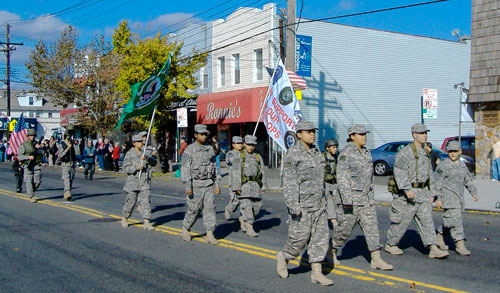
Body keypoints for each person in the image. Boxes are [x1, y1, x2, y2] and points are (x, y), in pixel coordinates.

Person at [276, 121, 333, 286]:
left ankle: (317, 273)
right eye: (308, 132)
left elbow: (323, 179)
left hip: (319, 205)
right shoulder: (292, 154)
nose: (312, 134)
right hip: (302, 206)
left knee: (320, 240)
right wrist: (294, 207)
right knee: (298, 241)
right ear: (299, 134)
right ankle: (284, 256)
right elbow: (290, 183)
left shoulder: (317, 152)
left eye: (313, 131)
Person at [331, 125, 393, 270]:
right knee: (343, 231)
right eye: (360, 134)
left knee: (372, 229)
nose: (364, 136)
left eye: (365, 134)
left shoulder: (366, 153)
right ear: (352, 136)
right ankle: (331, 251)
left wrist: (372, 196)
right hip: (351, 202)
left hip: (366, 201)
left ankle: (376, 259)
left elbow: (369, 177)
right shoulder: (346, 154)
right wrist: (347, 201)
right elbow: (342, 178)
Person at [385, 123, 449, 259]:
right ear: (414, 135)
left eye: (426, 133)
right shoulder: (405, 152)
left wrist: (433, 193)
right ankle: (391, 244)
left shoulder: (426, 153)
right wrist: (407, 189)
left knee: (427, 221)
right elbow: (399, 171)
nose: (425, 135)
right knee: (401, 222)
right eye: (422, 133)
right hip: (409, 195)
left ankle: (433, 247)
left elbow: (430, 174)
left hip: (423, 193)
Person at [433, 141, 479, 256]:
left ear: (460, 152)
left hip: (458, 198)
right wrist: (437, 198)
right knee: (456, 221)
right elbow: (437, 183)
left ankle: (439, 235)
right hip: (447, 198)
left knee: (450, 221)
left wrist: (473, 193)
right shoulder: (443, 165)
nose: (452, 154)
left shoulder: (462, 165)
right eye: (450, 151)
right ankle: (460, 244)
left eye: (455, 151)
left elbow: (468, 180)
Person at [181, 124, 221, 245]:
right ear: (195, 135)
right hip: (195, 184)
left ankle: (210, 233)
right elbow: (185, 168)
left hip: (208, 184)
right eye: (202, 134)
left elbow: (214, 167)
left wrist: (217, 184)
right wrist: (188, 186)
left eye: (205, 134)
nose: (204, 136)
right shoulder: (189, 150)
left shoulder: (209, 149)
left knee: (210, 209)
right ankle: (186, 228)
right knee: (194, 209)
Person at [230, 135, 267, 237]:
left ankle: (244, 219)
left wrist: (263, 186)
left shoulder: (257, 157)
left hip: (255, 187)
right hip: (244, 187)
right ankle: (250, 228)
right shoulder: (239, 156)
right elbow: (236, 172)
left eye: (253, 145)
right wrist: (236, 187)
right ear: (244, 144)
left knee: (257, 207)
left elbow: (262, 171)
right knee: (247, 207)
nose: (251, 147)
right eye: (249, 145)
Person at [121, 132, 157, 230]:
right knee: (130, 202)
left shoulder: (145, 152)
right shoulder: (129, 154)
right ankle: (125, 217)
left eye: (142, 141)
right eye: (139, 141)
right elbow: (125, 168)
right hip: (133, 182)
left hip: (144, 181)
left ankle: (146, 222)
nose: (141, 143)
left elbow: (154, 163)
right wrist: (136, 167)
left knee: (146, 202)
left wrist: (148, 158)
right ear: (134, 143)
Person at [18, 129, 43, 203]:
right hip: (28, 164)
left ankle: (31, 190)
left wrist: (40, 148)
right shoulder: (24, 145)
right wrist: (28, 157)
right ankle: (31, 196)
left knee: (37, 181)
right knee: (28, 181)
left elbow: (42, 153)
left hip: (36, 164)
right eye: (31, 135)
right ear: (28, 136)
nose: (32, 137)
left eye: (33, 135)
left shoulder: (36, 144)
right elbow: (19, 156)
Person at [224, 136, 244, 220]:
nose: (240, 145)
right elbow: (234, 162)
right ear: (233, 145)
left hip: (244, 181)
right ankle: (229, 208)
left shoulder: (244, 153)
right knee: (235, 201)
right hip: (234, 182)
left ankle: (244, 220)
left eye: (241, 143)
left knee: (245, 203)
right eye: (238, 143)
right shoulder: (230, 154)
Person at [59, 132, 77, 201]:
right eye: (68, 135)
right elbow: (61, 155)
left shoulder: (72, 143)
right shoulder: (62, 144)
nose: (69, 136)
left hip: (71, 163)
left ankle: (66, 193)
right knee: (66, 178)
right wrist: (67, 148)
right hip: (65, 163)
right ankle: (68, 192)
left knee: (71, 178)